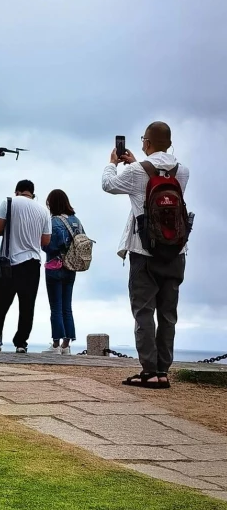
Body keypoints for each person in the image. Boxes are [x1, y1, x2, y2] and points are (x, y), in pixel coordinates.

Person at [102, 122, 189, 388]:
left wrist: (112, 162)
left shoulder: (137, 172)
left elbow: (108, 185)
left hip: (144, 251)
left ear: (147, 142)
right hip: (176, 252)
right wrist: (138, 163)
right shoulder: (183, 171)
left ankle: (149, 371)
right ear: (169, 142)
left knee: (143, 311)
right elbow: (156, 178)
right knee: (168, 314)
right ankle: (163, 370)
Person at [0, 180, 51, 353]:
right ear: (32, 194)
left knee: (0, 304)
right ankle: (21, 343)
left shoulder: (9, 202)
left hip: (11, 263)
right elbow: (45, 241)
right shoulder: (44, 211)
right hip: (33, 263)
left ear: (17, 191)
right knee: (27, 306)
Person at [44, 189, 85, 355]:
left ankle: (55, 345)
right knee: (67, 306)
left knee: (56, 307)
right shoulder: (76, 221)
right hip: (71, 267)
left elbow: (48, 246)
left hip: (54, 266)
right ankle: (66, 345)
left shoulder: (52, 222)